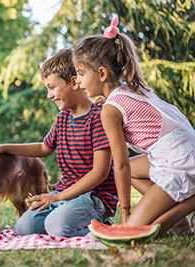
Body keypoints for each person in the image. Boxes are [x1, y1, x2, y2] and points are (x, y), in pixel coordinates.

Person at [73, 17, 195, 234]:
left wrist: (125, 211)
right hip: (185, 150)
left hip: (178, 162)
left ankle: (190, 202)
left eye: (81, 74)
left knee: (130, 231)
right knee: (134, 171)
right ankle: (179, 222)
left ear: (102, 73)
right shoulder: (133, 87)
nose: (78, 81)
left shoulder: (110, 111)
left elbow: (120, 166)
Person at [0, 48, 118, 237]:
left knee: (58, 227)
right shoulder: (63, 118)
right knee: (23, 227)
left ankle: (103, 225)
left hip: (94, 197)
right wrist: (4, 147)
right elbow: (43, 147)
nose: (49, 95)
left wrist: (57, 197)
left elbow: (100, 173)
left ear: (74, 82)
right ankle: (69, 217)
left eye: (52, 87)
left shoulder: (98, 118)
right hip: (64, 194)